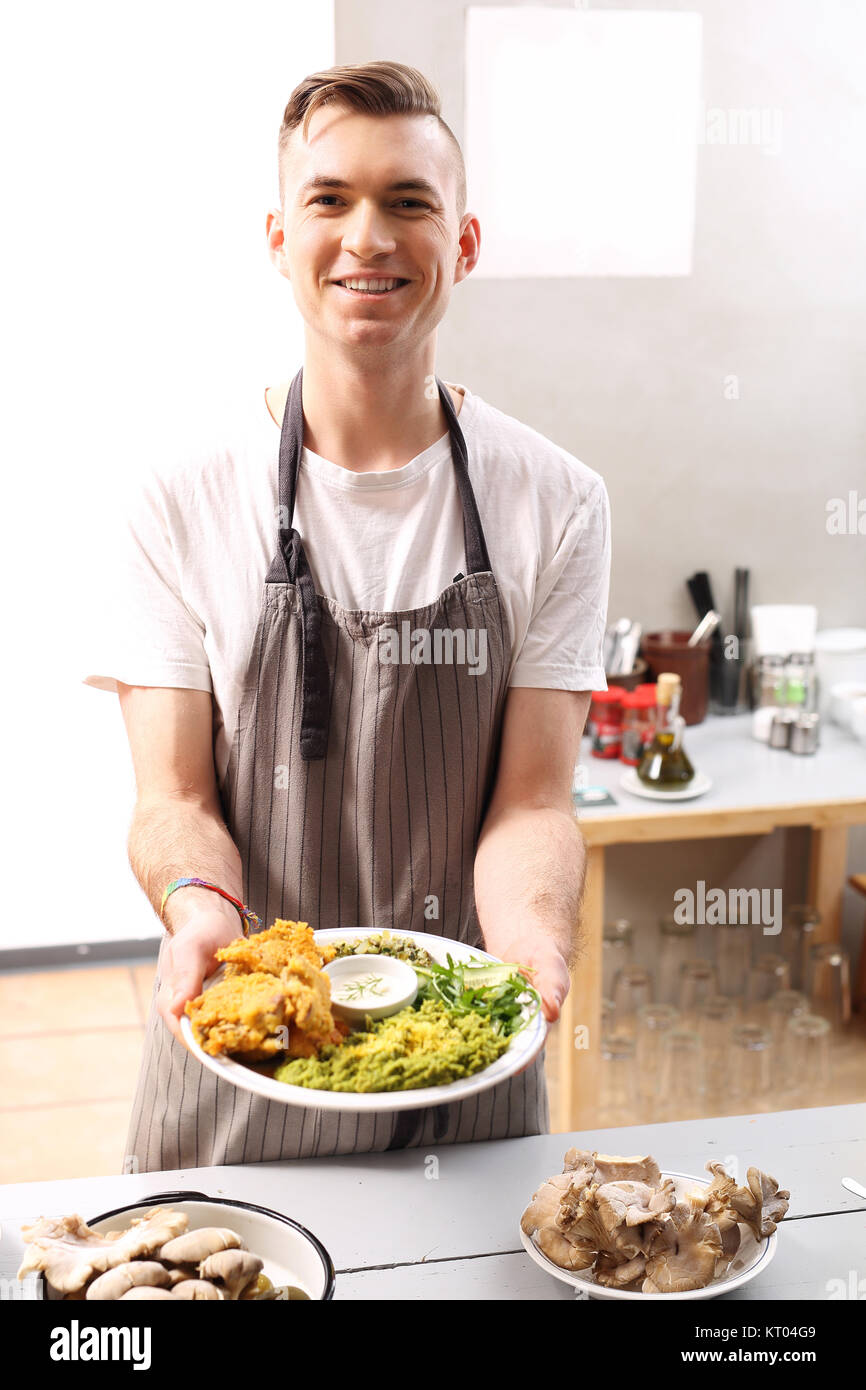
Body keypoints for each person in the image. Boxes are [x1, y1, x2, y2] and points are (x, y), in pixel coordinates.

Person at [84, 60, 611, 1170]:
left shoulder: (556, 500)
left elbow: (530, 801)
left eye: (407, 202)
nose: (366, 236)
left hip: (460, 1051)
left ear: (462, 243)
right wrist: (197, 905)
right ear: (278, 237)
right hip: (240, 1048)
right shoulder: (177, 498)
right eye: (330, 200)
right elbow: (171, 796)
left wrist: (529, 938)